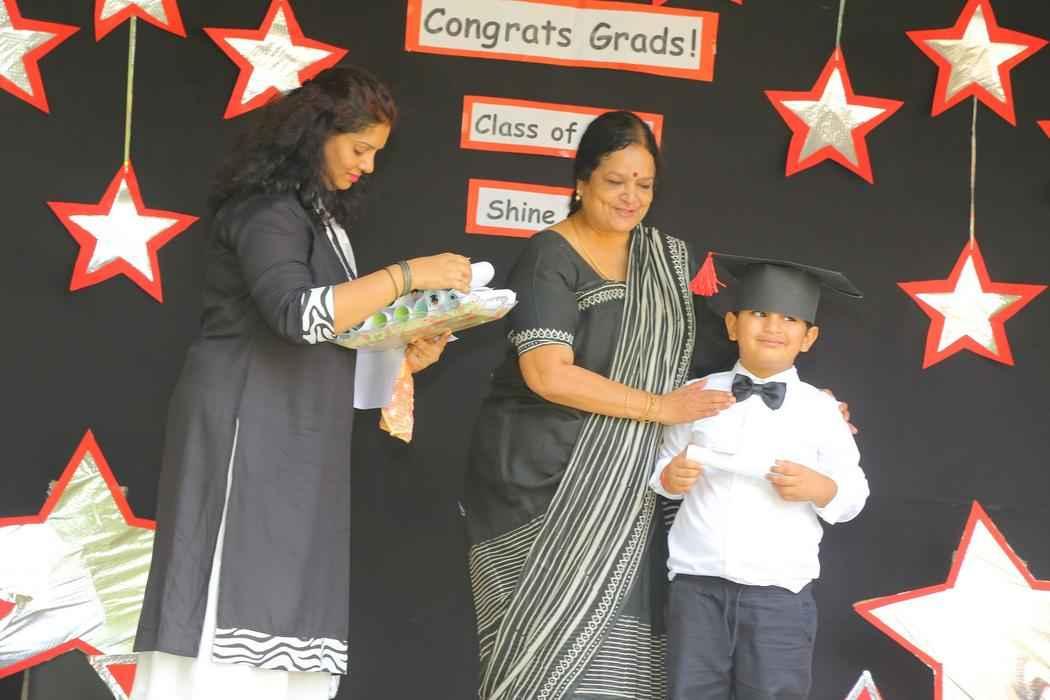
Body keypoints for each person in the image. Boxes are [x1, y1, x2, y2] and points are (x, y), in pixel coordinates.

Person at [131, 65, 472, 700]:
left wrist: (404, 357)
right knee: (232, 597)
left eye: (377, 154)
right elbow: (296, 314)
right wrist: (407, 275)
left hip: (299, 434)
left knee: (288, 602)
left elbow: (334, 336)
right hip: (244, 428)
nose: (368, 166)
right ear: (316, 133)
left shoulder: (324, 222)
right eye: (360, 149)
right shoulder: (267, 211)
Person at [463, 111, 739, 699]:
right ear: (582, 181)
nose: (630, 197)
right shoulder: (550, 256)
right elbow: (547, 373)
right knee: (537, 660)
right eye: (615, 181)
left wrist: (803, 399)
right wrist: (658, 407)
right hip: (539, 482)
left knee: (619, 661)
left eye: (644, 184)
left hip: (629, 486)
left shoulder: (666, 261)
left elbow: (717, 356)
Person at [650, 254, 871, 699]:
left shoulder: (822, 411)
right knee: (689, 692)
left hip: (779, 595)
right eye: (758, 313)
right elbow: (660, 466)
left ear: (809, 337)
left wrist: (820, 488)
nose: (772, 327)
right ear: (732, 325)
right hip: (697, 586)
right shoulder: (695, 395)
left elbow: (853, 493)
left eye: (789, 318)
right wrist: (670, 478)